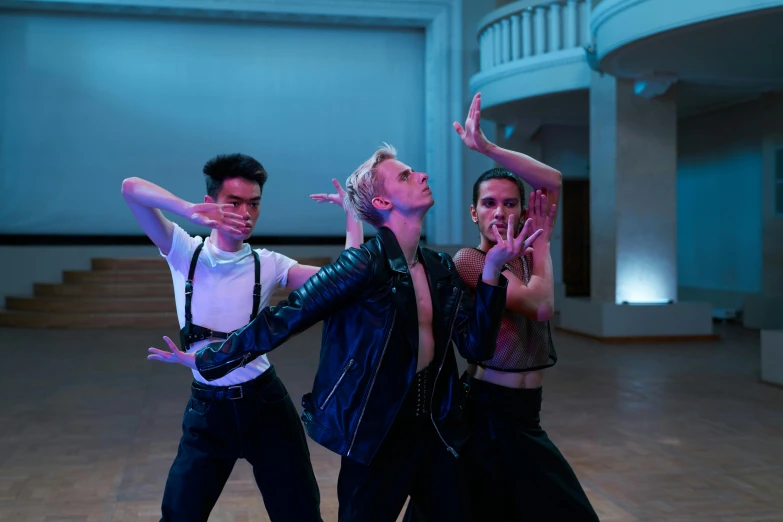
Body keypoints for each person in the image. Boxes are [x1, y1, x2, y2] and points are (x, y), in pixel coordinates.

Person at [147, 143, 544, 522]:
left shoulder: (440, 268)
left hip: (437, 430)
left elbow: (476, 346)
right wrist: (211, 359)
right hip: (376, 435)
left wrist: (491, 275)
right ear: (384, 203)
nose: (421, 175)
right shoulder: (361, 266)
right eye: (406, 176)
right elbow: (285, 318)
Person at [121, 154, 361, 522]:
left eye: (254, 203)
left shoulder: (269, 263)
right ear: (213, 202)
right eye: (234, 203)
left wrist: (352, 216)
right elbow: (131, 188)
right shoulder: (185, 251)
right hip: (207, 411)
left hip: (265, 405)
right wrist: (187, 210)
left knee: (298, 512)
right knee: (179, 512)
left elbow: (344, 283)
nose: (245, 213)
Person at [406, 92, 599, 521]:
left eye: (510, 202)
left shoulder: (527, 257)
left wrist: (488, 149)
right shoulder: (471, 261)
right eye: (489, 203)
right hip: (487, 413)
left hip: (526, 412)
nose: (499, 211)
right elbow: (541, 306)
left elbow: (553, 181)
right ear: (473, 213)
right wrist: (545, 244)